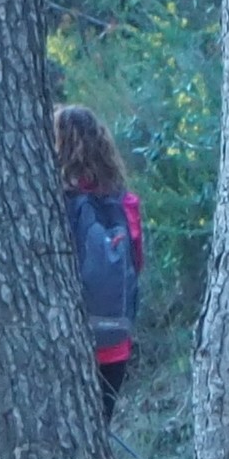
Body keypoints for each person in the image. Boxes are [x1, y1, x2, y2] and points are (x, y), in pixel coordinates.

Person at [58, 103, 146, 411]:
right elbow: (136, 263)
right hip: (116, 342)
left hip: (67, 341)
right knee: (99, 426)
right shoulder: (126, 203)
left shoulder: (57, 205)